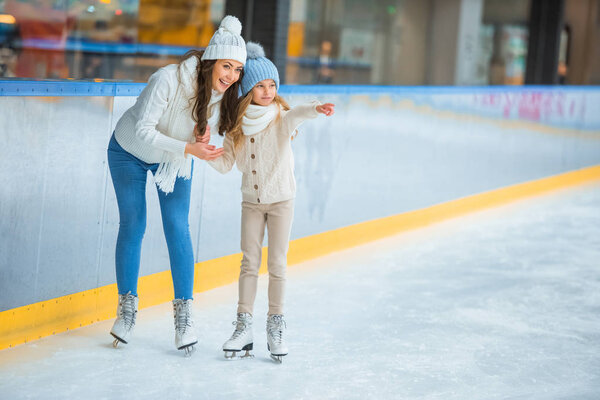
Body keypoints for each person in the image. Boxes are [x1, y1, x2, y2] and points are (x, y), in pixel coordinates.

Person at [107, 15, 246, 356]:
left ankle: (184, 317)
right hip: (130, 151)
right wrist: (188, 147)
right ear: (212, 60)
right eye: (226, 66)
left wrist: (198, 136)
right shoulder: (167, 78)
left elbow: (197, 127)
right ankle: (126, 312)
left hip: (171, 159)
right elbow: (143, 130)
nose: (230, 76)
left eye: (237, 70)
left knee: (177, 227)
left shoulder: (219, 93)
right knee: (134, 223)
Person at [207, 42, 335, 363]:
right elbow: (224, 164)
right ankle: (243, 326)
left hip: (281, 201)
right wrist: (204, 149)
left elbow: (298, 114)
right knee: (249, 263)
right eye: (261, 85)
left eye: (272, 85)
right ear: (249, 88)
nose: (267, 91)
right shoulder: (236, 127)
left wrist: (315, 109)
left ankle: (275, 326)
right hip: (251, 202)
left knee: (277, 264)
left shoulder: (281, 117)